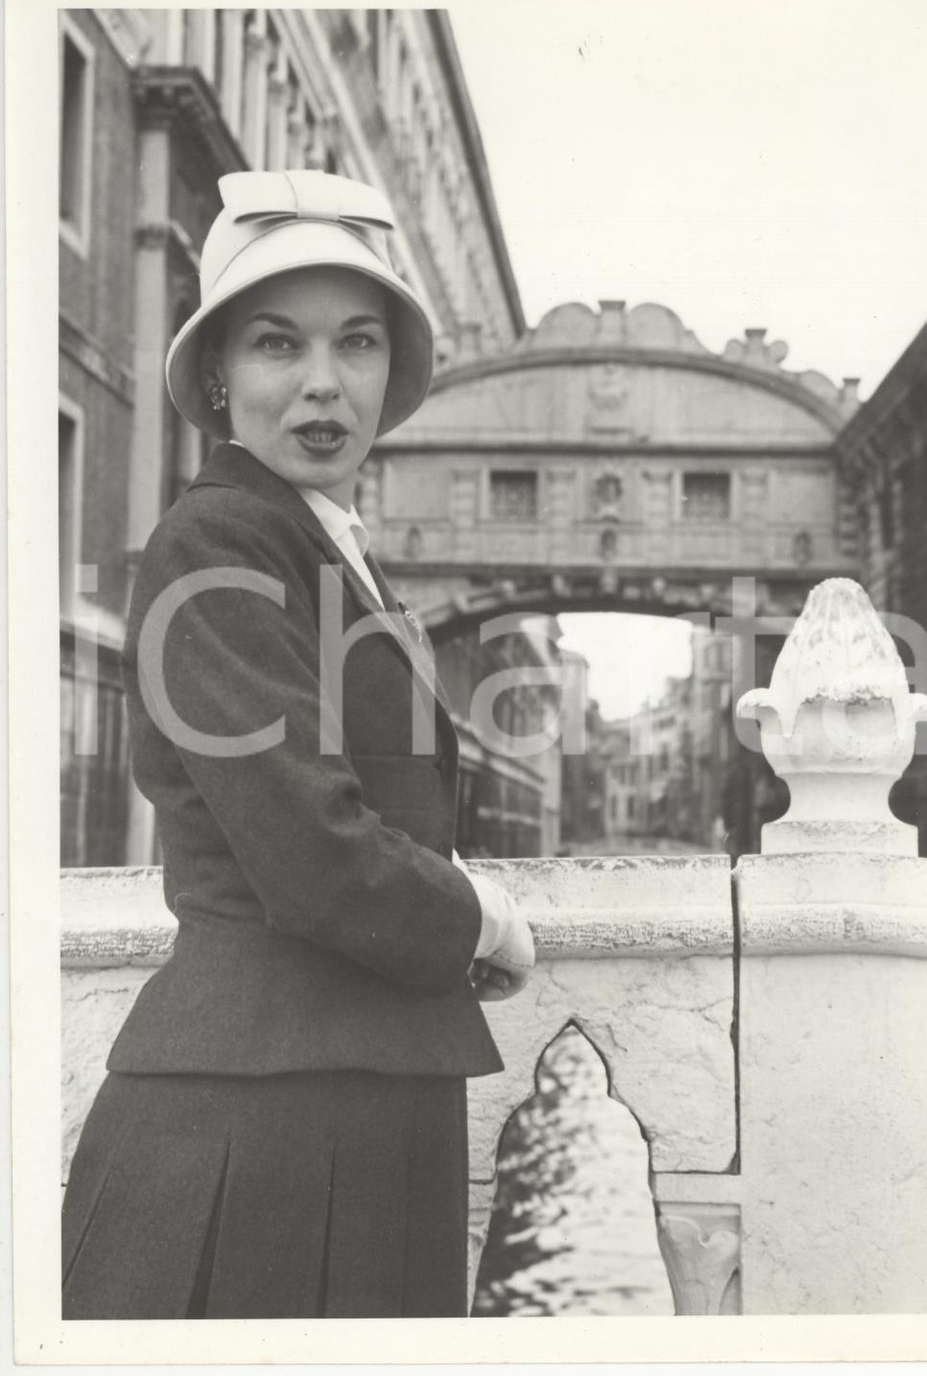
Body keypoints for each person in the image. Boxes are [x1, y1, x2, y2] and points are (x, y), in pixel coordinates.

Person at [61, 170, 536, 1320]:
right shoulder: (218, 535)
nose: (323, 382)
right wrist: (482, 919)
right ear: (219, 375)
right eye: (278, 343)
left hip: (341, 1102)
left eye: (356, 343)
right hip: (258, 1125)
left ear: (389, 372)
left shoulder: (312, 542)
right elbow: (310, 845)